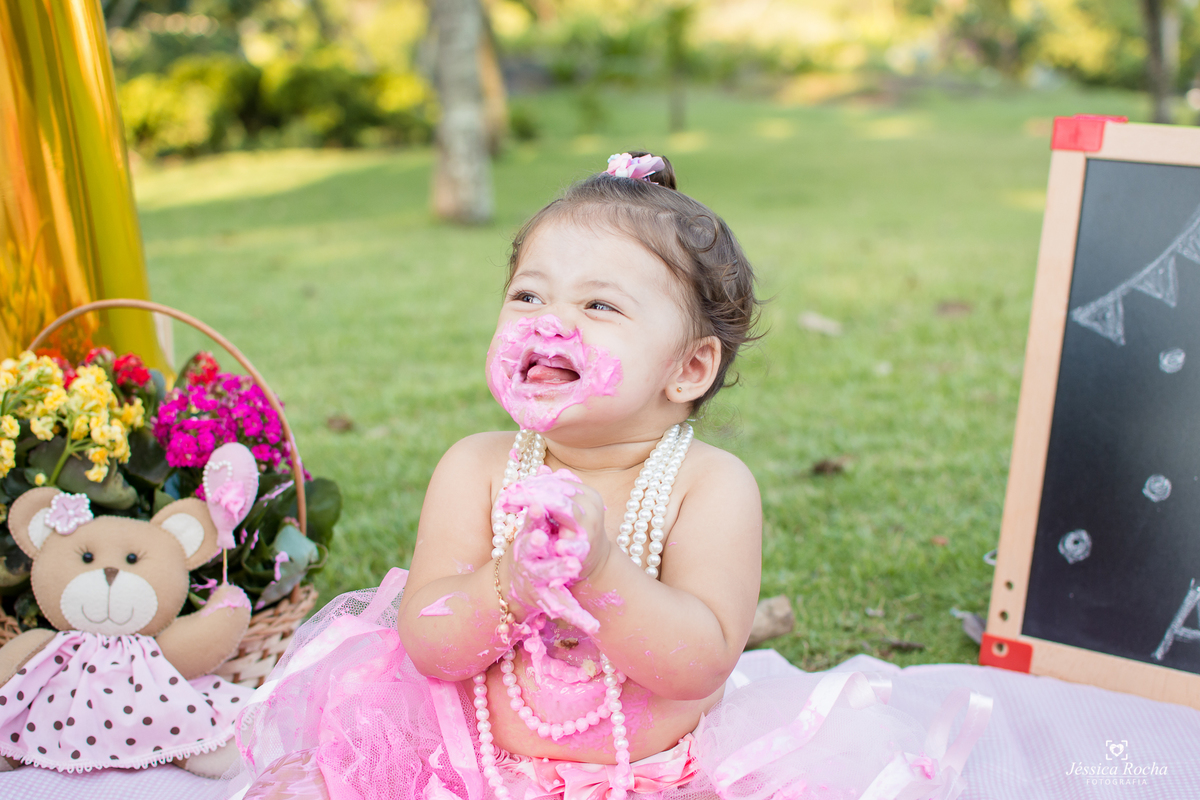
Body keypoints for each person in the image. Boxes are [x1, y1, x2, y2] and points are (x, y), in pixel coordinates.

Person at [231, 153, 989, 800]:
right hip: (465, 761)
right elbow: (427, 645)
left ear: (688, 367)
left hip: (655, 773)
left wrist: (597, 574)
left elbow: (697, 662)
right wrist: (513, 585)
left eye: (599, 304)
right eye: (527, 294)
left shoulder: (709, 487)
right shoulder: (478, 467)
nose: (549, 321)